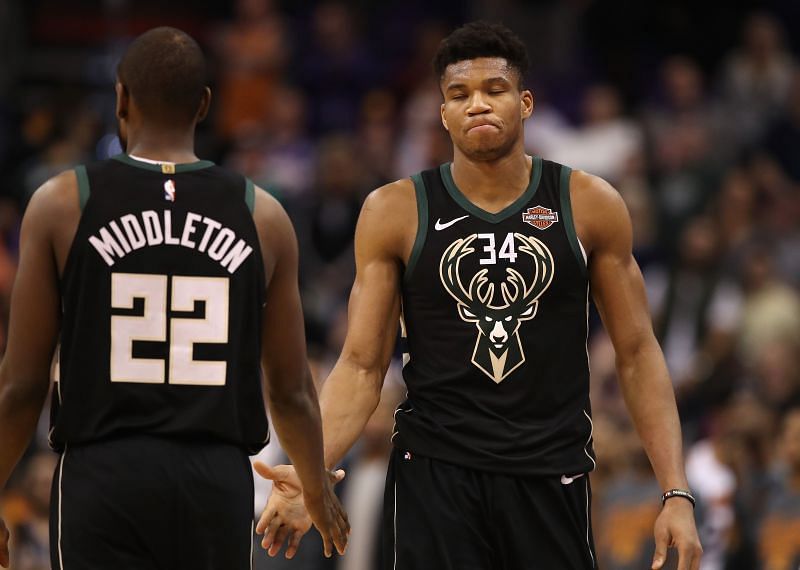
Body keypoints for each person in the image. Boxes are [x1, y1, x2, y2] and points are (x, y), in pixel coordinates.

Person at [257, 21, 702, 570]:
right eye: (459, 94)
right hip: (435, 474)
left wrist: (675, 492)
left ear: (526, 102)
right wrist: (309, 474)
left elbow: (637, 353)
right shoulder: (395, 209)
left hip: (550, 473)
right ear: (442, 113)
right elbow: (360, 365)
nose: (478, 105)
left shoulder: (589, 203)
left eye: (495, 89)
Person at [0, 27, 348, 569]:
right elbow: (290, 390)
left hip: (102, 473)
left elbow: (21, 385)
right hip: (214, 480)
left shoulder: (62, 202)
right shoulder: (263, 214)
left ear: (120, 98)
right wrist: (315, 488)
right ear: (206, 104)